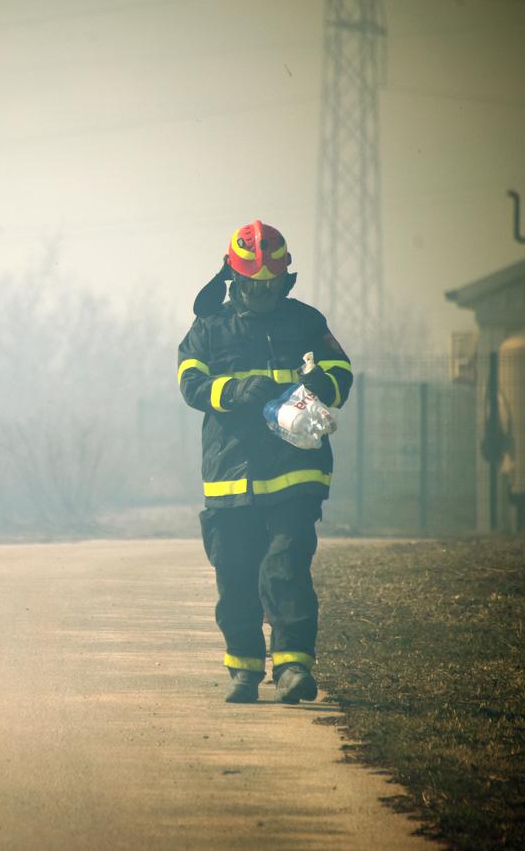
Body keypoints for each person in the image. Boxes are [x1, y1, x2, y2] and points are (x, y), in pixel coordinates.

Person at [176, 220, 353, 704]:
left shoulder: (306, 322)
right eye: (254, 285)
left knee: (285, 567)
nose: (263, 293)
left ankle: (294, 666)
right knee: (235, 573)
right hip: (231, 476)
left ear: (285, 279)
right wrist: (230, 392)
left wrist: (317, 387)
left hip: (296, 471)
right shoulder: (209, 327)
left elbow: (340, 371)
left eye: (271, 284)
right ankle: (245, 669)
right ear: (235, 278)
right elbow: (189, 381)